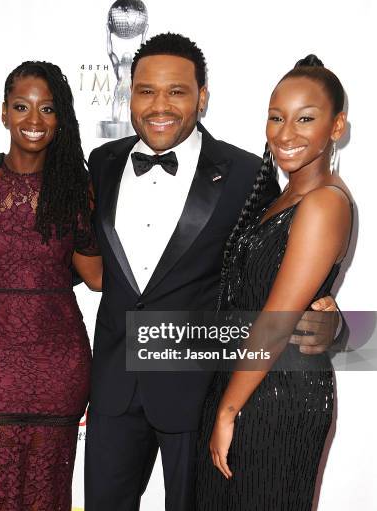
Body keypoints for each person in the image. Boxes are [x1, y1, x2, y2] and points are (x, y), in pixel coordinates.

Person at [84, 33, 339, 511]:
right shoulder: (102, 162)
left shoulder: (248, 175)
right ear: (130, 95)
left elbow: (270, 266)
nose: (159, 105)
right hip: (114, 386)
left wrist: (331, 314)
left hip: (198, 387)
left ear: (202, 97)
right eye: (146, 90)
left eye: (177, 91)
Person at [196, 55, 352, 510]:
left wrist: (228, 411)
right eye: (276, 118)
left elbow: (278, 319)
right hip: (244, 383)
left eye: (306, 119)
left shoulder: (324, 203)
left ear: (336, 126)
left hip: (280, 397)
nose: (286, 134)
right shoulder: (282, 194)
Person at [0, 61, 102, 510]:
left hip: (58, 364)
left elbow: (94, 277)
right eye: (21, 106)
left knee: (47, 492)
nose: (34, 120)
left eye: (47, 109)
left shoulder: (76, 189)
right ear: (3, 112)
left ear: (61, 119)